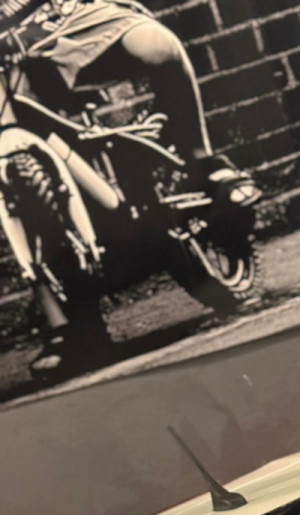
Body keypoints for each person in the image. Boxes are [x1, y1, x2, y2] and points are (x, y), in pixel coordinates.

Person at [0, 0, 258, 371]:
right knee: (14, 156)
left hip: (63, 16)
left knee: (156, 45)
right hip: (10, 53)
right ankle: (65, 318)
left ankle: (203, 164)